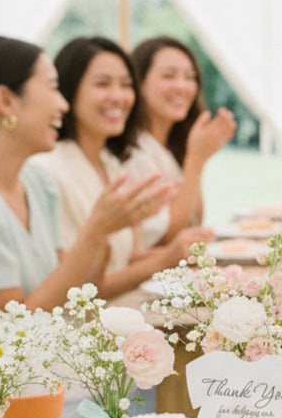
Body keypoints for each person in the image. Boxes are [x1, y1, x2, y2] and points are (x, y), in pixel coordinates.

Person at [0, 36, 167, 312]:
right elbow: (15, 330)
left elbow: (71, 293)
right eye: (53, 89)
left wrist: (106, 232)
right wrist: (95, 231)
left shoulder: (37, 183)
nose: (63, 105)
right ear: (6, 101)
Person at [33, 37, 200, 305]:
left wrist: (184, 249)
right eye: (102, 84)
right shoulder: (48, 170)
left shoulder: (111, 164)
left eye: (126, 85)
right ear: (69, 90)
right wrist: (165, 259)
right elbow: (72, 288)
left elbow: (128, 258)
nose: (119, 97)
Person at [130, 36, 236, 237]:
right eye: (169, 76)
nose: (182, 86)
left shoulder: (171, 146)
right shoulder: (134, 152)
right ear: (139, 83)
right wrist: (196, 159)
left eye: (189, 77)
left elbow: (195, 221)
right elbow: (165, 236)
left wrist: (197, 157)